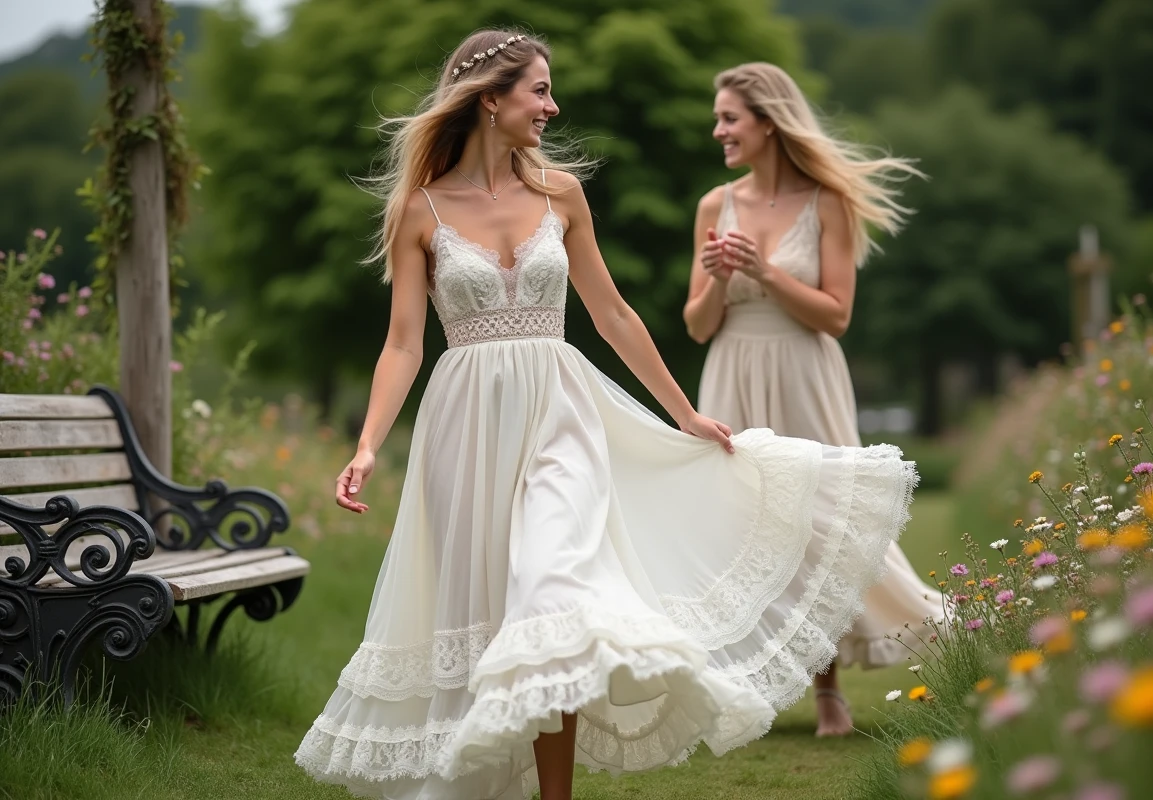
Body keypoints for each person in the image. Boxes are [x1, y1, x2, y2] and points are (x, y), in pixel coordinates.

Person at [294, 31, 917, 800]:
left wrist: (684, 413)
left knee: (556, 595)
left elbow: (615, 315)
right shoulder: (417, 211)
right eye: (539, 92)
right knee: (491, 610)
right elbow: (401, 344)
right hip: (464, 428)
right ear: (491, 99)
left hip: (561, 413)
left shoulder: (562, 195)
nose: (553, 107)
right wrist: (364, 446)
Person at [683, 62, 943, 738]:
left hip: (804, 368)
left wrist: (762, 270)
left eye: (729, 118)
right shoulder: (716, 205)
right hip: (732, 367)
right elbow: (697, 324)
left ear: (767, 121)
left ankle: (829, 690)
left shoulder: (827, 202)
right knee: (742, 525)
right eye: (719, 118)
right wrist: (717, 279)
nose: (719, 130)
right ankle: (749, 686)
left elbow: (835, 315)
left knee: (820, 522)